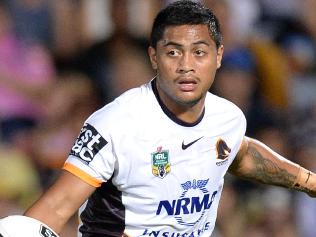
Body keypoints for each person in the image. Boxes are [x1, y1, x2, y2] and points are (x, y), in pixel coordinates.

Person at [23, 1, 315, 237]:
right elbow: (56, 208)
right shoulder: (114, 124)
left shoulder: (228, 118)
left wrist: (308, 181)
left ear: (218, 56)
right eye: (173, 52)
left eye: (199, 52)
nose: (186, 66)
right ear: (153, 57)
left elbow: (240, 153)